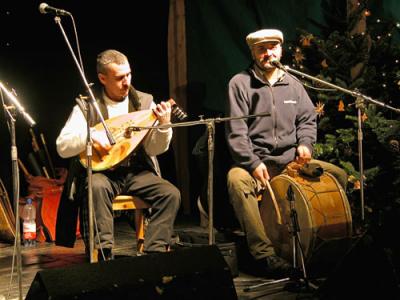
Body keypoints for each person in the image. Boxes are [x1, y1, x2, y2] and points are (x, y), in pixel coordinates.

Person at [225, 29, 348, 278]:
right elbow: (236, 132)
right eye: (261, 48)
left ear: (281, 50)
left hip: (292, 160)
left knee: (337, 174)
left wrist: (305, 144)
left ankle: (324, 245)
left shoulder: (294, 83)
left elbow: (307, 120)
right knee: (236, 181)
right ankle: (265, 255)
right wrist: (252, 163)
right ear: (253, 52)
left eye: (272, 47)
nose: (267, 53)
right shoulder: (239, 83)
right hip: (258, 162)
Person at [55, 49, 181, 261]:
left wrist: (164, 125)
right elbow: (62, 146)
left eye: (128, 75)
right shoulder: (88, 105)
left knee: (171, 194)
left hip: (136, 171)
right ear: (103, 78)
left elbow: (154, 150)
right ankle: (104, 254)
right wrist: (91, 135)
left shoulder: (143, 102)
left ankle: (155, 253)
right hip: (103, 173)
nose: (126, 82)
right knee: (95, 187)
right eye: (120, 78)